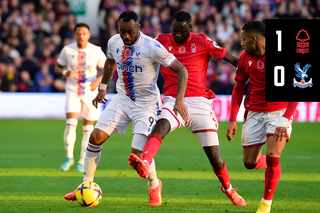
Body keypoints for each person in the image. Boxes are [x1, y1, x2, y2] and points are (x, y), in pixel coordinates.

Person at [64, 11, 188, 206]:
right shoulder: (114, 42)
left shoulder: (152, 47)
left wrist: (179, 100)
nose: (126, 37)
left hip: (146, 105)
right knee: (95, 137)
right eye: (122, 32)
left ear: (139, 27)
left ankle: (154, 184)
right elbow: (110, 62)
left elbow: (181, 69)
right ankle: (85, 185)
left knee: (138, 154)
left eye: (130, 32)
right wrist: (103, 88)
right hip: (122, 99)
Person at [128, 11, 246, 206]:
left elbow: (232, 59)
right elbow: (141, 52)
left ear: (190, 28)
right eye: (174, 31)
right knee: (161, 126)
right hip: (174, 100)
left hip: (199, 103)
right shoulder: (162, 40)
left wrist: (248, 70)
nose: (177, 35)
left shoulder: (203, 41)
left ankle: (228, 188)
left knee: (215, 159)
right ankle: (145, 162)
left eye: (182, 32)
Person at [226, 20, 299, 213]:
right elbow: (239, 86)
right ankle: (273, 167)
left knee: (273, 155)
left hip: (279, 113)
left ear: (253, 39)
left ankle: (266, 203)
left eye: (243, 39)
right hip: (254, 112)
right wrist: (232, 118)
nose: (240, 43)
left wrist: (286, 117)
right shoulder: (244, 58)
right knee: (249, 163)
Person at [55, 23, 106, 172]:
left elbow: (107, 70)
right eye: (79, 33)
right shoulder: (67, 49)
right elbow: (57, 67)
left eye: (84, 34)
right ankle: (69, 157)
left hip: (90, 92)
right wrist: (64, 73)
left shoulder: (96, 51)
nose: (81, 36)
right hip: (72, 90)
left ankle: (82, 160)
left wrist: (99, 80)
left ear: (88, 35)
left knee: (88, 128)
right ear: (75, 35)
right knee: (71, 124)